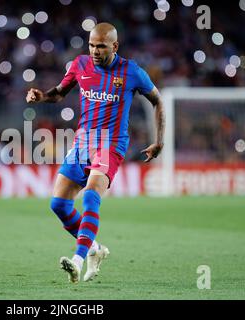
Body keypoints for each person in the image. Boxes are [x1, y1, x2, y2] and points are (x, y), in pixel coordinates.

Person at [25, 22, 165, 283]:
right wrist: (41, 96)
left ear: (115, 46)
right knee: (58, 204)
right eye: (91, 45)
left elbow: (157, 101)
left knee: (90, 195)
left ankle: (77, 260)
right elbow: (59, 94)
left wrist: (159, 141)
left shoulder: (131, 71)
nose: (94, 51)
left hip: (110, 145)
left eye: (100, 46)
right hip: (83, 143)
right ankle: (94, 248)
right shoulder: (80, 64)